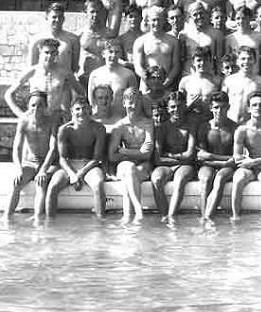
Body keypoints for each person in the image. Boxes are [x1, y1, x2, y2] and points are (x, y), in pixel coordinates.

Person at [46, 97, 107, 219]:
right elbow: (62, 158)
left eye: (84, 108)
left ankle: (101, 222)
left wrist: (79, 175)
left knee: (98, 184)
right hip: (69, 165)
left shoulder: (99, 128)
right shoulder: (64, 130)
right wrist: (71, 174)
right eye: (77, 109)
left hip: (90, 165)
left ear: (90, 109)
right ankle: (49, 223)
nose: (81, 112)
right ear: (72, 111)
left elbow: (97, 158)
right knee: (53, 186)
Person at [5, 91, 59, 221]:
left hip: (48, 163)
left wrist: (43, 170)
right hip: (30, 162)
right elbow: (17, 148)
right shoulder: (24, 121)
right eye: (33, 105)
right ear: (29, 106)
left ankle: (37, 218)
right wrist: (18, 169)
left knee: (41, 183)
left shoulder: (51, 122)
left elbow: (53, 148)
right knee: (16, 183)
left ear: (46, 106)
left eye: (40, 105)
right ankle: (7, 217)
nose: (36, 108)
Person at [6, 38, 82, 124]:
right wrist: (20, 114)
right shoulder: (32, 72)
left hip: (55, 118)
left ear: (57, 53)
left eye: (53, 53)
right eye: (46, 52)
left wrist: (72, 112)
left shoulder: (64, 73)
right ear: (40, 52)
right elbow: (8, 94)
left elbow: (81, 93)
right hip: (35, 118)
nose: (50, 56)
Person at [231, 92, 261, 220]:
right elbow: (237, 155)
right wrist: (247, 162)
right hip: (249, 166)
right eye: (254, 105)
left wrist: (254, 162)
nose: (258, 107)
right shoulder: (242, 130)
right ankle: (236, 217)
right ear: (248, 108)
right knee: (238, 179)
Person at [109, 88, 155, 223]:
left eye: (136, 102)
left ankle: (127, 218)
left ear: (141, 103)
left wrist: (124, 151)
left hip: (143, 166)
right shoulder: (120, 126)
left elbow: (147, 154)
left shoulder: (148, 123)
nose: (133, 106)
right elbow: (112, 156)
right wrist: (135, 155)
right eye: (130, 102)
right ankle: (138, 210)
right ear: (124, 103)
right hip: (124, 166)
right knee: (129, 169)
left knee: (131, 175)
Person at [150, 93, 196, 222]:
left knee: (180, 180)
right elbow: (158, 159)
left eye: (180, 106)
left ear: (185, 106)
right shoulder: (162, 128)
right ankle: (164, 216)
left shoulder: (190, 127)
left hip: (185, 166)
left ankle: (172, 216)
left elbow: (191, 156)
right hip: (166, 165)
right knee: (156, 179)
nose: (176, 110)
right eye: (173, 107)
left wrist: (170, 155)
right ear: (168, 109)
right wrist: (181, 157)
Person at [197, 91, 238, 220]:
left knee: (220, 178)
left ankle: (208, 218)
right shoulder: (204, 127)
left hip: (228, 167)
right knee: (205, 179)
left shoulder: (234, 128)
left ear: (228, 107)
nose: (219, 111)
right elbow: (201, 157)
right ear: (211, 108)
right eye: (216, 107)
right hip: (210, 165)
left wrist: (211, 157)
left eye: (222, 107)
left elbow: (236, 157)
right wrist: (222, 162)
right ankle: (204, 217)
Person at [88, 39, 138, 122]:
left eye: (117, 52)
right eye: (110, 52)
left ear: (121, 54)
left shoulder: (128, 75)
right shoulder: (95, 75)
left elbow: (134, 99)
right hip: (101, 120)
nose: (113, 55)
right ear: (103, 54)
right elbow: (92, 101)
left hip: (121, 119)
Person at [133, 5, 181, 90]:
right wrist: (149, 81)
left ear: (164, 21)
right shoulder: (140, 41)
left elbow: (176, 66)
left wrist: (166, 83)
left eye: (159, 20)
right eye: (154, 20)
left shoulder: (173, 41)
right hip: (146, 85)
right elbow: (138, 66)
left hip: (167, 85)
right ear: (148, 21)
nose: (156, 23)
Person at [28, 3, 81, 75]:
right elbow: (32, 67)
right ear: (47, 18)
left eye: (60, 17)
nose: (57, 20)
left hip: (65, 82)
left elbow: (74, 67)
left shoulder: (73, 39)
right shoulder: (37, 40)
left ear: (64, 19)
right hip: (44, 82)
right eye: (54, 17)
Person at [222, 46, 261, 124]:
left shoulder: (260, 82)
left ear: (255, 61)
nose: (246, 62)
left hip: (249, 125)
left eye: (250, 58)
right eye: (243, 59)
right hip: (230, 123)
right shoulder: (229, 80)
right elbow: (222, 102)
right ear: (237, 61)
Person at [79, 0, 114, 86]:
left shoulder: (109, 35)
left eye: (98, 12)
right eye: (92, 11)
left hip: (104, 79)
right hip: (84, 79)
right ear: (86, 13)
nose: (95, 15)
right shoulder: (80, 36)